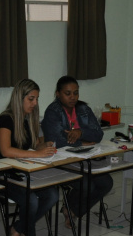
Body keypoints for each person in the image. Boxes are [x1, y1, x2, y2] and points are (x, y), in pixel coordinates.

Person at [0, 79, 58, 236]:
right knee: (32, 200)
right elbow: (6, 150)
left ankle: (16, 228)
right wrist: (37, 153)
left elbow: (34, 144)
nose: (35, 103)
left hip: (22, 170)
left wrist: (44, 146)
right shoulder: (5, 119)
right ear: (19, 98)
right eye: (31, 99)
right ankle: (26, 234)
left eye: (37, 99)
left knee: (52, 195)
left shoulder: (28, 118)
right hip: (2, 173)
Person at [42, 75, 112, 227]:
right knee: (88, 185)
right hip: (62, 161)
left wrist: (80, 132)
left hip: (85, 159)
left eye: (76, 93)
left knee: (107, 182)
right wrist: (84, 141)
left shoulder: (83, 109)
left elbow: (98, 134)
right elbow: (58, 142)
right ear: (58, 94)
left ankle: (71, 209)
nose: (72, 97)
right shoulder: (52, 112)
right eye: (68, 93)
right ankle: (72, 209)